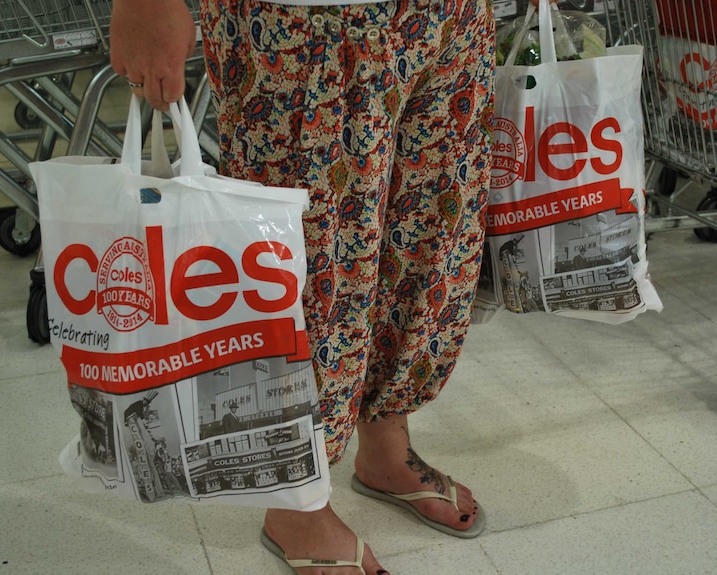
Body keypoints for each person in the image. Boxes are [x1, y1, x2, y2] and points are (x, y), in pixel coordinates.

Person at [110, 0, 547, 572]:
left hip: (452, 15)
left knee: (424, 242)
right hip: (303, 18)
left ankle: (386, 446)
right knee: (308, 267)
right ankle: (294, 503)